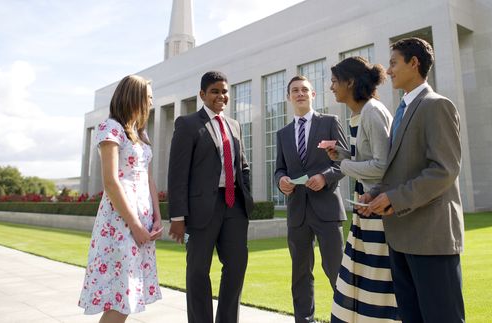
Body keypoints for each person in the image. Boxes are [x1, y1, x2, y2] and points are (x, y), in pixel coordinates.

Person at [360, 37, 465, 322]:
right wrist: (377, 193)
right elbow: (402, 169)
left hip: (431, 238)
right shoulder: (403, 111)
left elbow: (443, 170)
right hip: (401, 237)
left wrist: (394, 198)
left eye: (394, 63)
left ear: (414, 63)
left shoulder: (437, 105)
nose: (389, 71)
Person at [167, 71, 254, 323]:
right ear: (202, 94)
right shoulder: (187, 124)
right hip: (201, 210)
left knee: (236, 268)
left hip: (234, 206)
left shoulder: (234, 125)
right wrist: (177, 216)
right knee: (197, 272)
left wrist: (246, 195)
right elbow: (177, 173)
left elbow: (243, 165)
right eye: (215, 91)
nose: (221, 96)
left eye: (224, 91)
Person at [78, 75, 163, 322]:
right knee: (119, 297)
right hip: (120, 223)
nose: (151, 103)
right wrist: (136, 225)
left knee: (128, 296)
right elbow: (111, 182)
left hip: (142, 224)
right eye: (148, 97)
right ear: (134, 97)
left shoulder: (140, 135)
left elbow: (149, 181)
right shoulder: (111, 128)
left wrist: (157, 218)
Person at [326, 57, 400, 322]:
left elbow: (382, 166)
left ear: (350, 82)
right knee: (359, 277)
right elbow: (367, 159)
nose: (332, 87)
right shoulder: (359, 113)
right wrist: (343, 155)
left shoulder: (372, 111)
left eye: (335, 81)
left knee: (376, 280)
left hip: (377, 212)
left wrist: (344, 164)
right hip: (365, 210)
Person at [274, 75, 348, 323]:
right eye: (295, 90)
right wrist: (281, 181)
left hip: (326, 209)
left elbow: (343, 162)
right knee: (300, 274)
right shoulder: (283, 134)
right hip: (297, 213)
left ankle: (347, 318)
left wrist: (325, 177)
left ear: (313, 95)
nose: (300, 94)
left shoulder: (329, 122)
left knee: (336, 269)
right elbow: (279, 169)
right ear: (288, 97)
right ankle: (304, 319)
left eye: (305, 89)